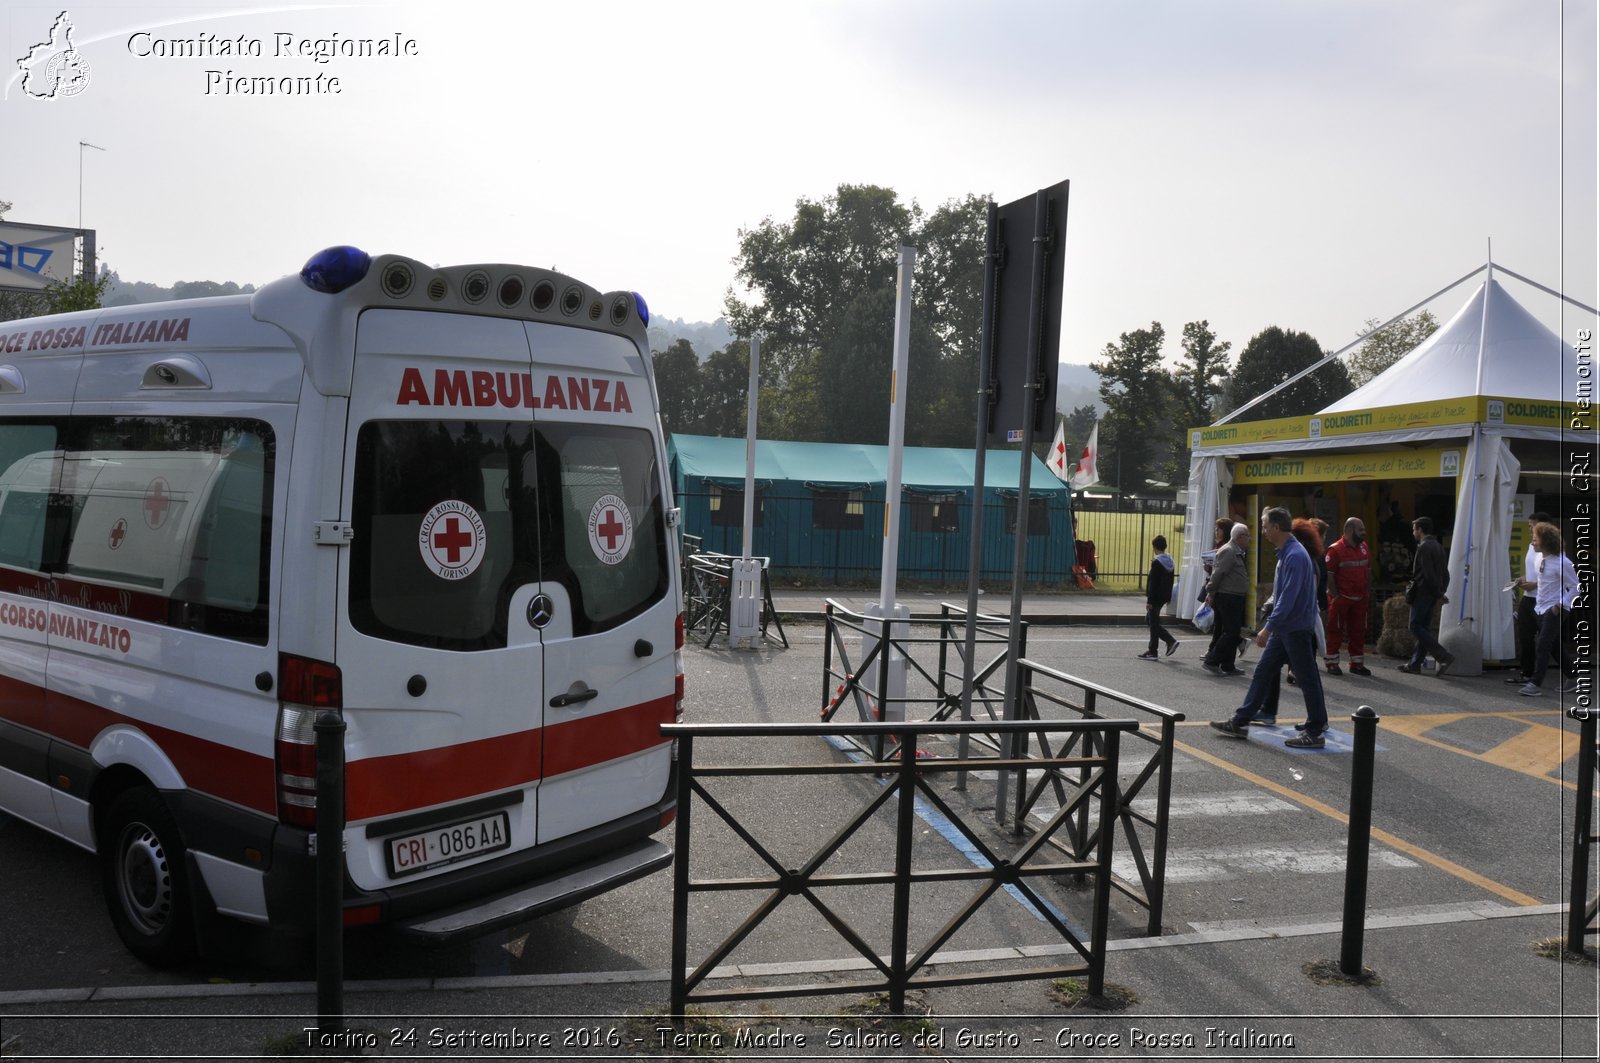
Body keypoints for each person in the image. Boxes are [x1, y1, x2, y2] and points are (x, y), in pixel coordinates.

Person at [1210, 507, 1328, 749]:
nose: (1262, 530)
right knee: (1265, 672)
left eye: (1264, 526)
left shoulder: (1294, 555)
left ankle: (1315, 731)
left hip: (1293, 627)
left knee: (1306, 678)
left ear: (1276, 527)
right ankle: (1241, 721)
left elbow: (1287, 597)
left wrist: (1267, 628)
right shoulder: (1289, 552)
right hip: (1288, 627)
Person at [1518, 522, 1578, 697]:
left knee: (1543, 645)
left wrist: (1559, 605)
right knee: (1553, 646)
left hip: (1556, 609)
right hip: (1540, 607)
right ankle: (1573, 676)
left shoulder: (1563, 562)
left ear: (1545, 541)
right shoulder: (1539, 559)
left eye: (1535, 539)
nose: (1533, 542)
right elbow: (1543, 581)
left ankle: (1535, 683)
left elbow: (1576, 587)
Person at [1399, 516, 1454, 676]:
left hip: (1423, 591)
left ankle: (1443, 655)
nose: (1413, 532)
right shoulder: (1437, 546)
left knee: (1415, 626)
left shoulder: (1423, 547)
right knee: (1424, 628)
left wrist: (1437, 592)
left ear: (1420, 530)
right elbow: (1445, 573)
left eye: (1414, 528)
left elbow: (1428, 574)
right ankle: (1414, 664)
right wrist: (1441, 591)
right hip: (1432, 592)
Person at [1507, 511, 1557, 685]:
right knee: (1525, 636)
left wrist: (1535, 584)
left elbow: (1554, 574)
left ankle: (1572, 674)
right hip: (1528, 598)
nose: (1529, 529)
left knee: (1549, 641)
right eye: (1528, 526)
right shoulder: (1532, 545)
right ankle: (1527, 674)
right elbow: (1534, 572)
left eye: (1532, 526)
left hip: (1543, 599)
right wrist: (1523, 579)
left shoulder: (1551, 549)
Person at [1324, 517, 1372, 675]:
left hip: (1360, 598)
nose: (1364, 533)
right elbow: (1329, 576)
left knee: (1358, 630)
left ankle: (1356, 664)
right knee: (1335, 630)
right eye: (1361, 530)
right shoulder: (1335, 550)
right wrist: (1336, 596)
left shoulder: (1364, 547)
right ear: (1350, 530)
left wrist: (1367, 592)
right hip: (1342, 599)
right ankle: (1332, 662)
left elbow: (1368, 571)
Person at [1201, 522, 1250, 675]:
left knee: (1232, 631)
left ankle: (1228, 665)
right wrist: (1210, 591)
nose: (1249, 539)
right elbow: (1218, 573)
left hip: (1234, 596)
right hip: (1228, 597)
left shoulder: (1236, 550)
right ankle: (1212, 661)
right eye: (1247, 536)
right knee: (1231, 631)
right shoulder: (1229, 551)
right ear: (1240, 537)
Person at [1138, 535, 1179, 660]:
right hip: (1164, 596)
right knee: (1151, 620)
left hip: (1155, 597)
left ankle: (1154, 650)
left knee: (1153, 622)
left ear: (1154, 547)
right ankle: (1168, 641)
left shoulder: (1157, 562)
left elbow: (1153, 583)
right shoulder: (1170, 561)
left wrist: (1150, 600)